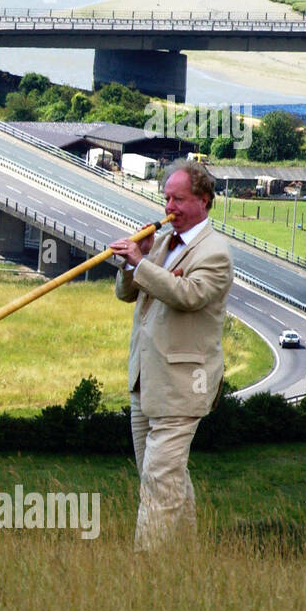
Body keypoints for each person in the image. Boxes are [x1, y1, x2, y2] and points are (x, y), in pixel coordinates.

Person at [109, 160, 233, 551]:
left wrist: (142, 263)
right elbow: (126, 295)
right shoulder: (162, 241)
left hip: (183, 386)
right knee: (164, 475)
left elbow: (188, 295)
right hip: (146, 380)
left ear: (204, 201)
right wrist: (135, 262)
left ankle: (146, 569)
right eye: (166, 198)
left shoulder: (215, 253)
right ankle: (186, 560)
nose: (169, 208)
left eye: (178, 199)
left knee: (159, 481)